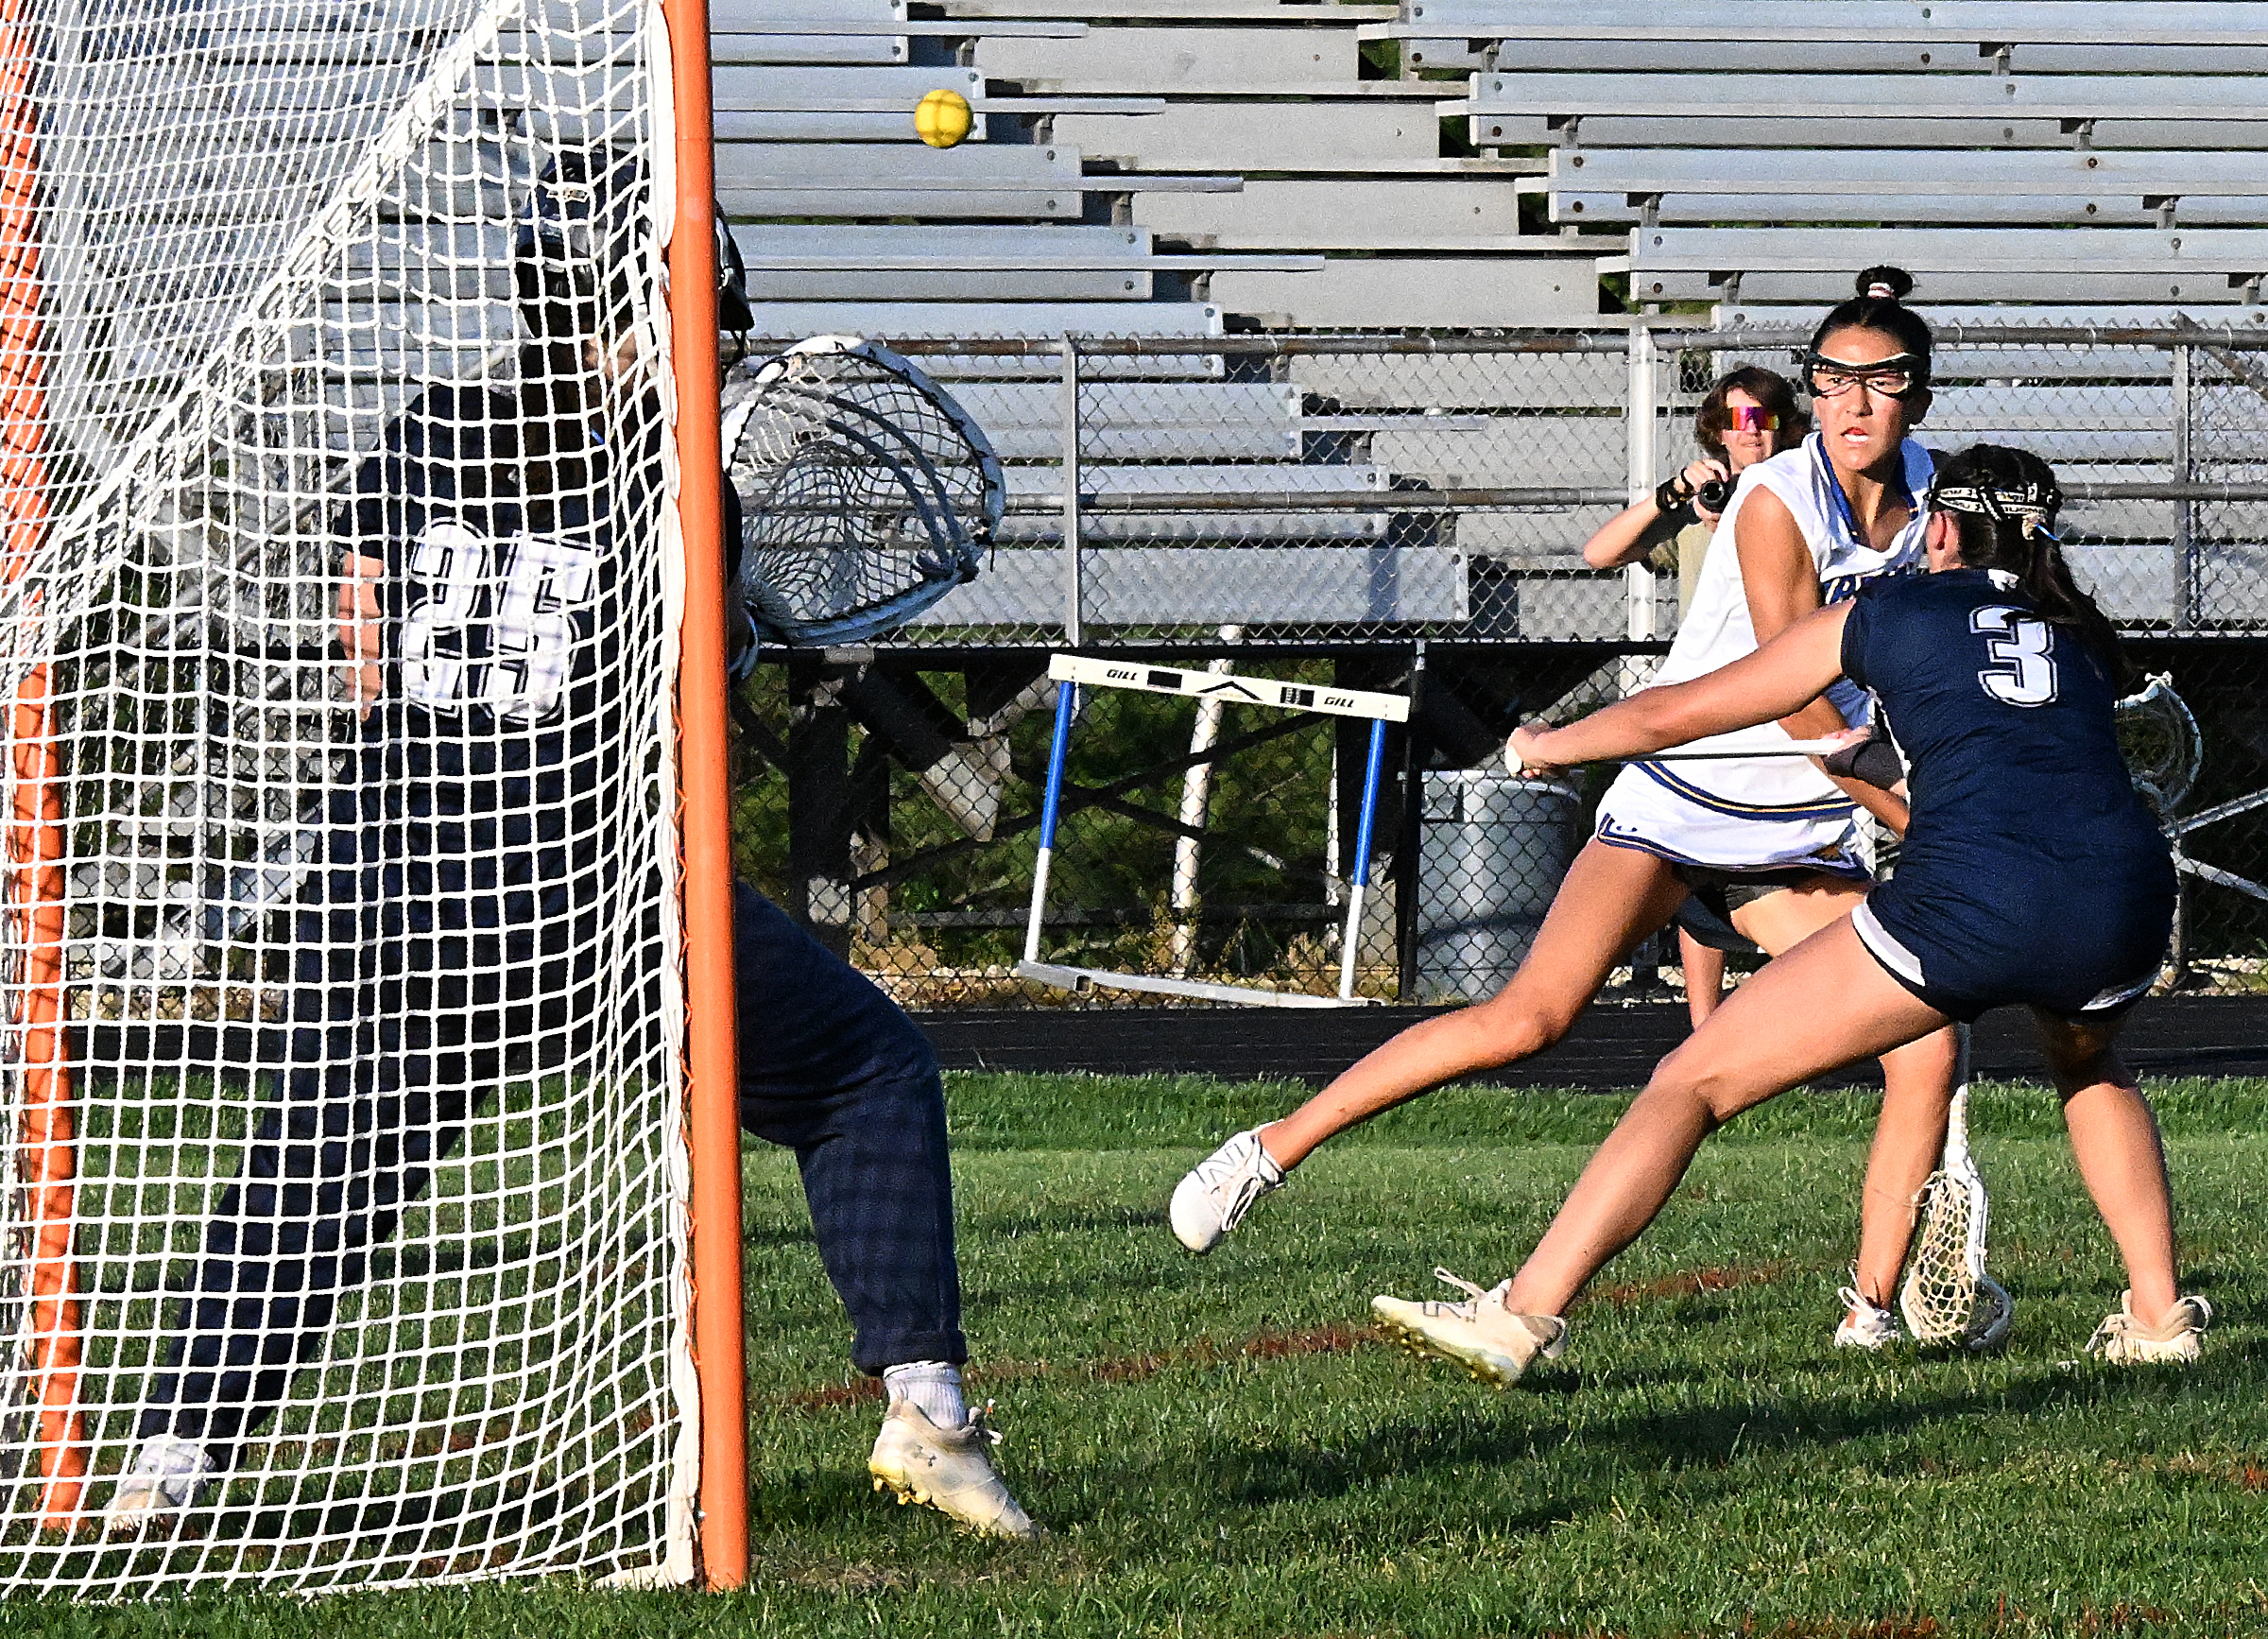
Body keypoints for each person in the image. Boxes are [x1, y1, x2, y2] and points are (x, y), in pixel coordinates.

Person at [102, 160, 1035, 1542]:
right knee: (866, 1063)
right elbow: (676, 727)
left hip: (391, 875)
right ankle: (928, 1407)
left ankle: (165, 1465)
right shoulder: (671, 481)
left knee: (316, 1161)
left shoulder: (432, 429)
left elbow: (367, 653)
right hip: (583, 894)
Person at [1171, 269, 1961, 1353]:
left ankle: (1872, 1317)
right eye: (1831, 382)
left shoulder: (1939, 502)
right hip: (1687, 798)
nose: (1852, 406)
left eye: (1879, 384)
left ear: (1919, 394)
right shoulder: (1778, 498)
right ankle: (1269, 1146)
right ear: (1810, 392)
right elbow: (1802, 703)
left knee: (1925, 1045)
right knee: (1527, 1023)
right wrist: (1930, 813)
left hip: (1799, 838)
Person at [1370, 443, 2208, 1383]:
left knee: (1694, 1081)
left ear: (1939, 527)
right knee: (2089, 1065)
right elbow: (2010, 760)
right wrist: (1870, 768)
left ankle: (1522, 1314)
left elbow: (1672, 716)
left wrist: (1547, 744)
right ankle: (2158, 1315)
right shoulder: (2085, 635)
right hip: (2122, 899)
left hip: (1975, 900)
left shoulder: (1890, 610)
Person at [1579, 366, 1809, 1027]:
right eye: (1739, 423)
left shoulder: (1804, 497)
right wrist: (1676, 492)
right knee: (1690, 856)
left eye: (1765, 420)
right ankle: (1705, 1024)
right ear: (1718, 433)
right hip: (1709, 703)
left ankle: (1799, 1006)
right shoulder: (1700, 511)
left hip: (1784, 696)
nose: (1754, 436)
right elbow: (1600, 554)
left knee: (1778, 863)